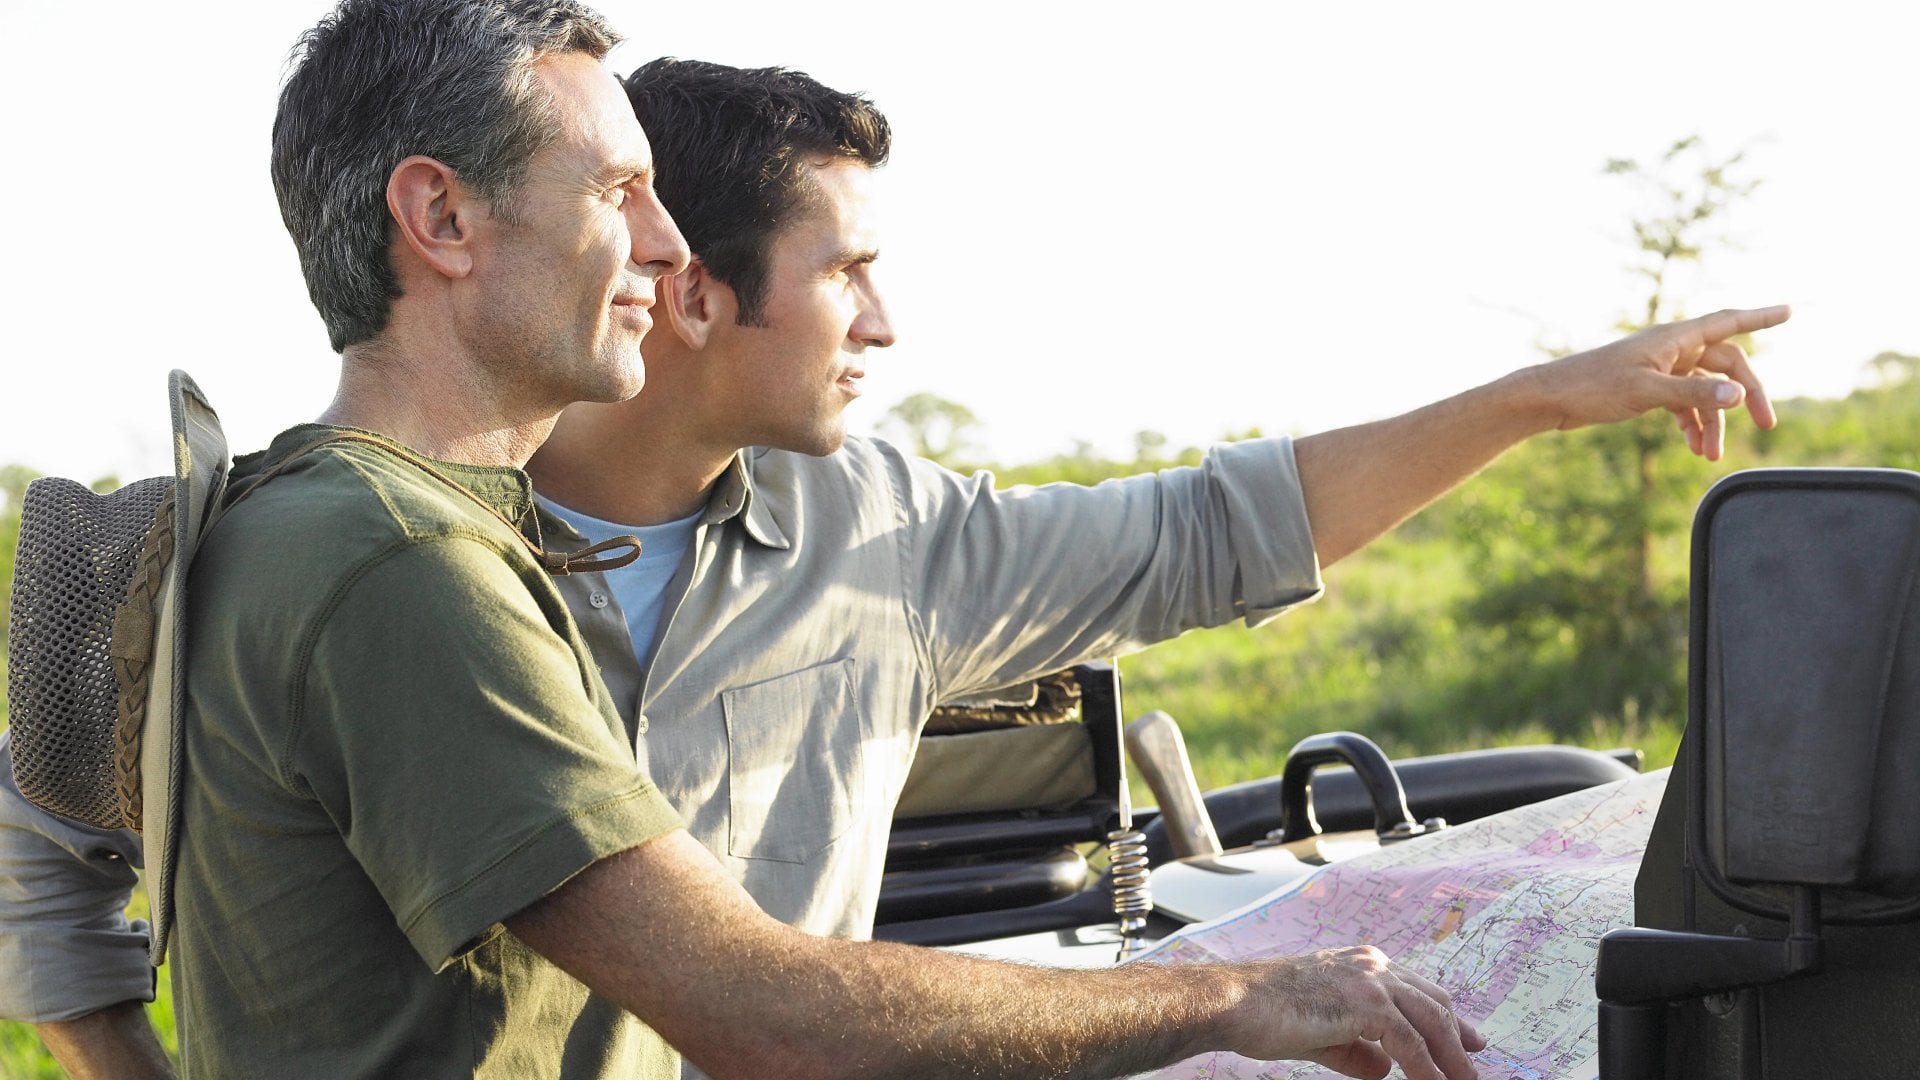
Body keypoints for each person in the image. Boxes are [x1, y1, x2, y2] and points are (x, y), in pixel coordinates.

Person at [0, 29, 1784, 1080]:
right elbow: (753, 1002)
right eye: (623, 197)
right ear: (442, 218)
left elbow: (1212, 529)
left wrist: (1550, 397)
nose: (889, 323)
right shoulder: (356, 560)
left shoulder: (879, 532)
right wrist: (1245, 993)